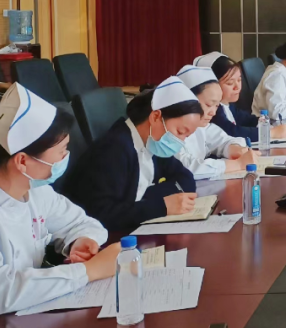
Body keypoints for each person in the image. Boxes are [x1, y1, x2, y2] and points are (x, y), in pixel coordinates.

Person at [0, 84, 117, 315]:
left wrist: (81, 241)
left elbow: (82, 223)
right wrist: (89, 271)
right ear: (22, 161)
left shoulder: (36, 189)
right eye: (61, 151)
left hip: (26, 314)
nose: (65, 157)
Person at [64, 77, 201, 231]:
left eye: (186, 136)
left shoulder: (153, 143)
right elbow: (101, 214)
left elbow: (186, 179)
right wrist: (160, 206)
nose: (181, 141)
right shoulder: (114, 149)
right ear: (155, 117)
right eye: (180, 132)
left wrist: (144, 197)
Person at [173, 65, 256, 180]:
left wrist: (235, 149)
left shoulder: (202, 127)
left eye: (216, 106)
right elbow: (186, 167)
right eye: (208, 105)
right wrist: (237, 164)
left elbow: (224, 139)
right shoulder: (169, 131)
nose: (213, 112)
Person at [199, 52, 286, 142]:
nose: (237, 87)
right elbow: (231, 132)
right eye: (230, 83)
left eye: (239, 80)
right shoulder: (213, 111)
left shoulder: (227, 104)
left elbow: (246, 119)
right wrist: (268, 133)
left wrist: (266, 123)